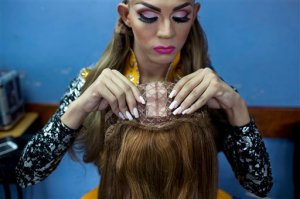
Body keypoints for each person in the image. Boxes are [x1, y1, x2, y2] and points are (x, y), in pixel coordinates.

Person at [16, 0, 273, 197]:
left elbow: (259, 185)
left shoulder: (209, 90)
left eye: (180, 17)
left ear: (194, 14)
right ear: (126, 16)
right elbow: (26, 174)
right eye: (148, 17)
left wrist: (237, 107)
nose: (166, 32)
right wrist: (81, 105)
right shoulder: (89, 84)